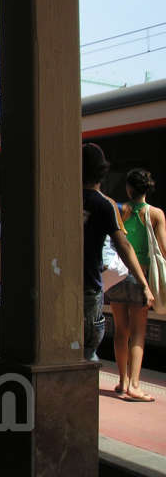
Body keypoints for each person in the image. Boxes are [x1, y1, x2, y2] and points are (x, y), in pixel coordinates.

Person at [81, 143, 150, 363]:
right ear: (102, 171)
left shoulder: (61, 201)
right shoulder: (105, 204)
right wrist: (143, 283)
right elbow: (124, 246)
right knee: (88, 351)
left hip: (59, 284)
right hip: (89, 285)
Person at [108, 169, 160, 402]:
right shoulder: (156, 213)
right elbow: (163, 247)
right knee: (138, 332)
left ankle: (121, 381)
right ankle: (135, 385)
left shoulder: (120, 210)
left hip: (120, 275)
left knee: (121, 330)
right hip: (142, 277)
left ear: (129, 188)